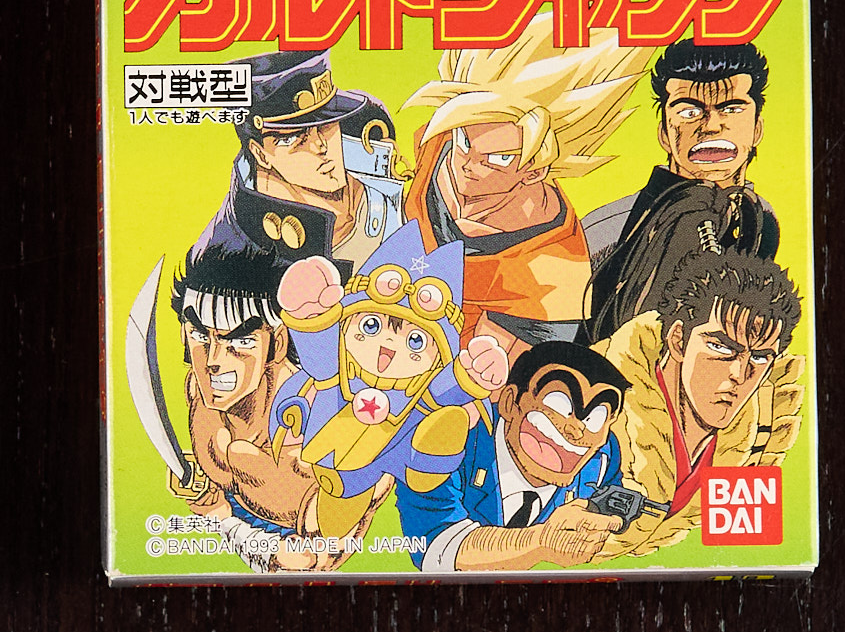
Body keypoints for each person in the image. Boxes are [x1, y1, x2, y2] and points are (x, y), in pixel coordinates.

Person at [402, 11, 653, 353]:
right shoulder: (442, 140)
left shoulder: (551, 276)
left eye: (498, 158)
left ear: (534, 170)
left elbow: (490, 373)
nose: (468, 164)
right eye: (464, 140)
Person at [271, 228, 506, 547]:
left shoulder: (421, 388)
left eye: (415, 340)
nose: (388, 347)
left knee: (433, 418)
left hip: (403, 439)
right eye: (371, 326)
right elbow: (320, 353)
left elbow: (443, 387)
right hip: (335, 448)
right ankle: (338, 514)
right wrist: (310, 312)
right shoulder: (338, 370)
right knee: (341, 496)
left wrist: (472, 374)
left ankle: (429, 460)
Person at [597, 244, 804, 556]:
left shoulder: (756, 444)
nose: (739, 374)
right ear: (678, 340)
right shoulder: (589, 400)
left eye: (760, 357)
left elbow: (746, 552)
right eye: (721, 347)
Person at [583, 40, 779, 344]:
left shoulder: (762, 220)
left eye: (731, 109)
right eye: (689, 111)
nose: (711, 126)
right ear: (664, 132)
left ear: (757, 129)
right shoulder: (605, 229)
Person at [394, 341, 630, 573]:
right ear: (509, 403)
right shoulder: (452, 439)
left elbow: (617, 503)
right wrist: (538, 543)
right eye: (559, 405)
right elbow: (435, 546)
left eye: (595, 418)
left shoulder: (603, 457)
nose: (576, 430)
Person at [165, 244, 323, 554]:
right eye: (200, 335)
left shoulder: (314, 435)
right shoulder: (198, 391)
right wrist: (205, 492)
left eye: (239, 340)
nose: (213, 361)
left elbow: (314, 562)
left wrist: (222, 520)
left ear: (277, 344)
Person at [196, 51, 403, 271]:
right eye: (295, 138)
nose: (320, 146)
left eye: (326, 125)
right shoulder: (231, 249)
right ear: (260, 154)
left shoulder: (379, 171)